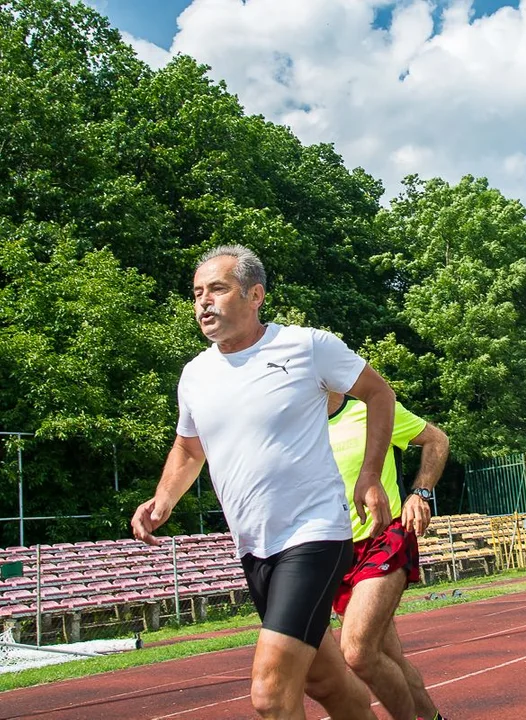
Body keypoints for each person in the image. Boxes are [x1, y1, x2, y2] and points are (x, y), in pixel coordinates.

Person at [131, 245, 394, 720]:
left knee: (271, 696)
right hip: (253, 546)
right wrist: (163, 498)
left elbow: (379, 393)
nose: (203, 302)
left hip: (314, 535)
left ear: (255, 295)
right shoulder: (194, 374)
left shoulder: (307, 346)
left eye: (217, 289)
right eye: (196, 293)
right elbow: (190, 448)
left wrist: (371, 476)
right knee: (326, 680)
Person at [327, 391, 451, 720]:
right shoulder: (295, 427)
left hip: (384, 538)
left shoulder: (373, 410)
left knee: (357, 650)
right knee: (387, 655)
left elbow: (436, 439)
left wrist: (420, 492)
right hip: (335, 554)